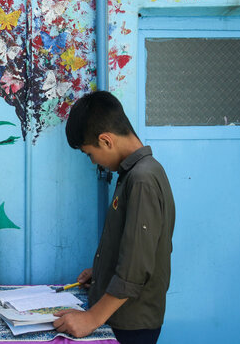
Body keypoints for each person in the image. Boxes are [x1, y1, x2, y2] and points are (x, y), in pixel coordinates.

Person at [54, 91, 175, 344]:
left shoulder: (142, 179)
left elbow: (135, 271)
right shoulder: (134, 175)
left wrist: (89, 319)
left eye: (89, 154)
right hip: (121, 316)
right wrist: (101, 271)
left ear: (106, 141)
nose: (93, 162)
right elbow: (134, 252)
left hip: (131, 324)